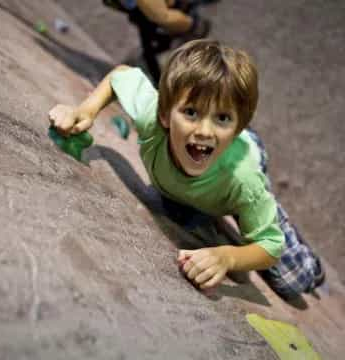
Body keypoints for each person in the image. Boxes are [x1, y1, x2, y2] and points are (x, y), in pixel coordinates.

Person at [48, 39, 325, 301]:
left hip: (244, 160)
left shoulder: (244, 179)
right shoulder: (153, 117)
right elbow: (122, 75)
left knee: (291, 281)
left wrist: (227, 257)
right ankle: (219, 200)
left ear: (237, 128)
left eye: (222, 118)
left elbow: (271, 246)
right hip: (206, 183)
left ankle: (306, 258)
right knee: (180, 213)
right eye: (191, 112)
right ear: (165, 115)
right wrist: (85, 110)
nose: (204, 131)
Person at [103, 0, 211, 82]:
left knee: (151, 48)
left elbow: (162, 16)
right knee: (152, 48)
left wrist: (190, 24)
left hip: (153, 14)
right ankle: (159, 81)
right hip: (143, 14)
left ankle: (160, 82)